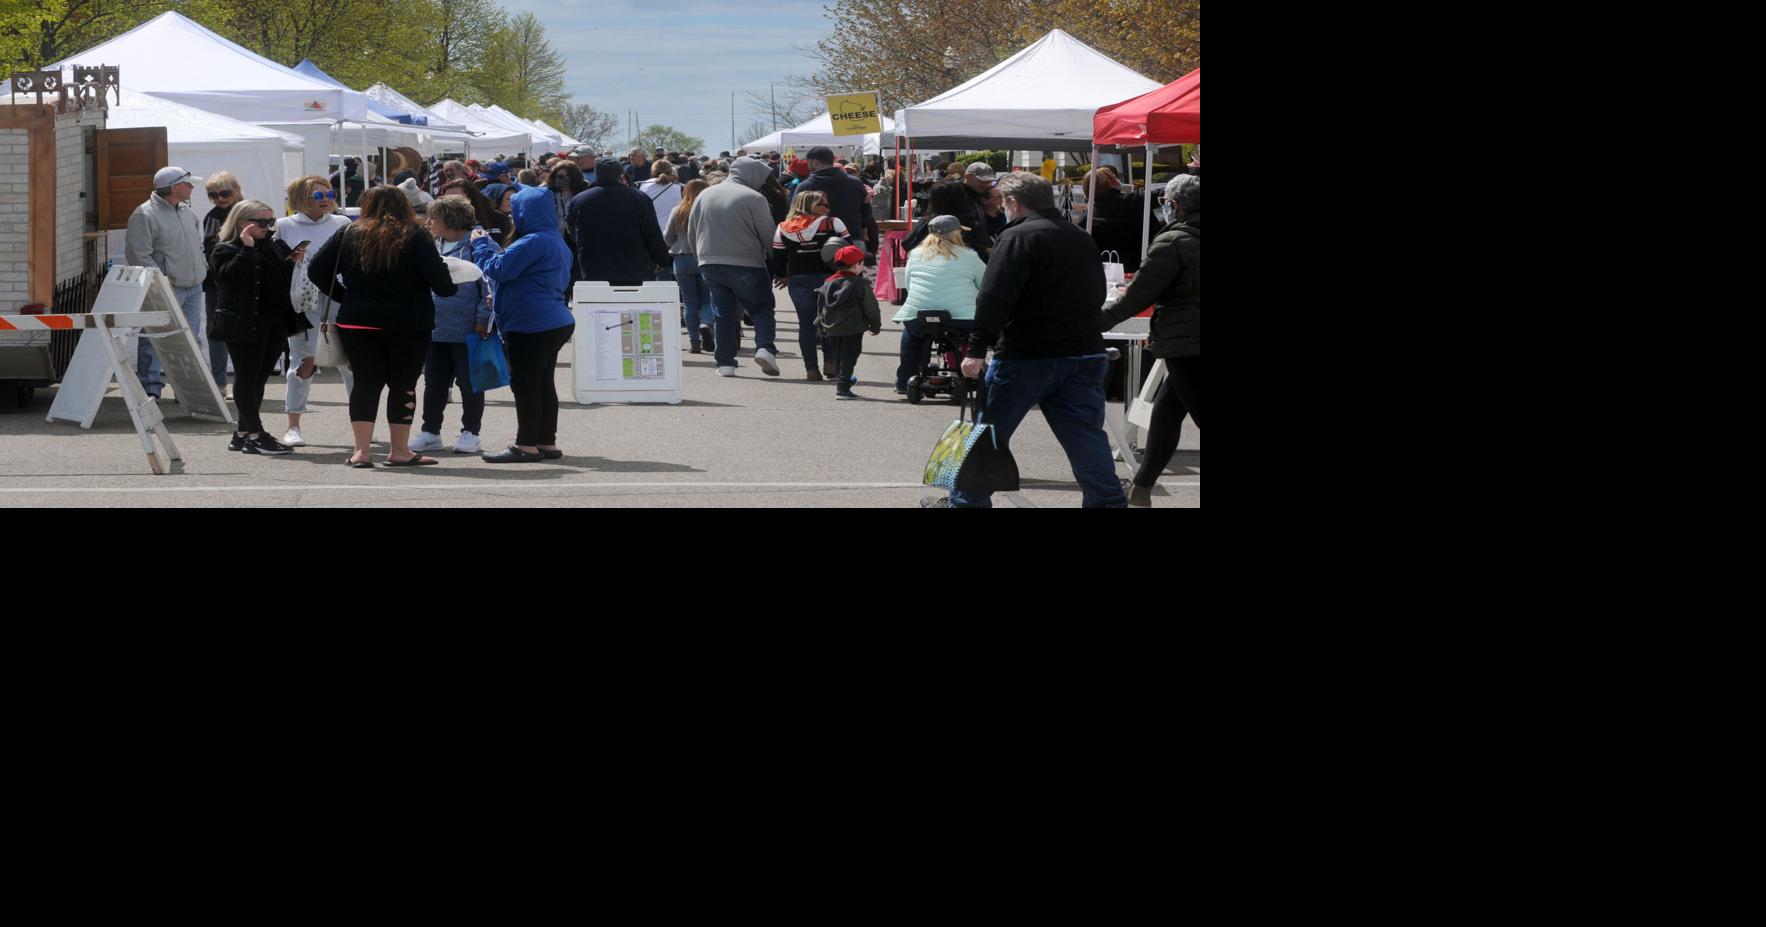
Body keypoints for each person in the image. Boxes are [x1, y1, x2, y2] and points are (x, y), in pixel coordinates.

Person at [927, 173, 1126, 509]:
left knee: (988, 432)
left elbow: (993, 297)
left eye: (1004, 203)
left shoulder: (1016, 236)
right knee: (1086, 438)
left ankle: (966, 502)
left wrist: (976, 348)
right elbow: (1095, 292)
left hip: (1027, 354)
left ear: (1014, 203)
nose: (1003, 210)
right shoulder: (1079, 236)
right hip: (1082, 351)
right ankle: (1108, 501)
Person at [305, 188, 458, 468]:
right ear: (405, 205)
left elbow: (316, 270)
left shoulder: (349, 232)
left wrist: (345, 295)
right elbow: (442, 285)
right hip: (409, 321)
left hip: (358, 319)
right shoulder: (416, 234)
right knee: (403, 384)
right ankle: (399, 450)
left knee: (365, 383)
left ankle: (361, 452)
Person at [1097, 174, 1198, 508]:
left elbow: (1138, 295)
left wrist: (1095, 323)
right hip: (1187, 339)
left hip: (1188, 342)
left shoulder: (1174, 241)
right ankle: (1141, 487)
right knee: (1168, 410)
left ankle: (1141, 488)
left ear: (1175, 204)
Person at [468, 186, 577, 463]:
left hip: (532, 323)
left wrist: (480, 243)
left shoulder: (533, 241)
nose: (512, 216)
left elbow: (497, 269)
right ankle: (545, 441)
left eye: (515, 210)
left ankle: (526, 444)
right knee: (542, 383)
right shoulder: (554, 239)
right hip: (552, 319)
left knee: (526, 383)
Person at [209, 199, 311, 455]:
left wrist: (291, 261)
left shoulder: (273, 246)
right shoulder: (224, 248)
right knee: (246, 376)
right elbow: (228, 278)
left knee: (260, 378)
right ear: (244, 223)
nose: (269, 227)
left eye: (271, 221)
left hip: (273, 322)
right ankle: (256, 434)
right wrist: (246, 249)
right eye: (263, 222)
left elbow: (275, 280)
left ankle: (243, 433)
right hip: (243, 323)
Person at [275, 175, 355, 448]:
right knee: (302, 361)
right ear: (301, 198)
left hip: (338, 297)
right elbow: (278, 264)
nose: (326, 200)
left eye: (329, 194)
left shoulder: (342, 223)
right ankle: (293, 425)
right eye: (318, 196)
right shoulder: (284, 226)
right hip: (301, 300)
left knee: (348, 362)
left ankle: (360, 422)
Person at [410, 195, 494, 456]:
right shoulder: (432, 243)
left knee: (470, 384)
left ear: (449, 218)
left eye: (433, 216)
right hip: (435, 328)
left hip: (469, 328)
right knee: (434, 383)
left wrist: (483, 319)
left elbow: (489, 285)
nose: (428, 221)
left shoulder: (478, 243)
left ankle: (471, 432)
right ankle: (430, 432)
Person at [686, 156, 781, 378]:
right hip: (747, 263)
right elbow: (769, 235)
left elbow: (693, 231)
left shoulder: (705, 194)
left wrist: (700, 256)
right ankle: (765, 348)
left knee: (723, 314)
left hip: (709, 262)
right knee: (761, 308)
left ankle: (725, 363)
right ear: (752, 176)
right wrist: (779, 264)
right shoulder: (754, 198)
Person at [124, 166, 209, 402]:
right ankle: (151, 390)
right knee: (155, 337)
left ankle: (190, 390)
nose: (192, 187)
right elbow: (138, 255)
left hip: (193, 286)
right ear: (174, 187)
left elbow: (198, 246)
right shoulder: (144, 214)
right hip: (166, 287)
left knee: (191, 338)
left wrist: (202, 268)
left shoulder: (187, 212)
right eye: (188, 184)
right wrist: (163, 281)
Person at [893, 214, 983, 394]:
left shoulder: (915, 255)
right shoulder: (970, 256)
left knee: (911, 333)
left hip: (920, 314)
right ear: (956, 233)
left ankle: (904, 380)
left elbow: (909, 285)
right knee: (971, 335)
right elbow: (984, 285)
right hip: (961, 318)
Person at [768, 190, 849, 380]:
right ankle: (831, 363)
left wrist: (781, 275)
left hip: (799, 280)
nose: (828, 208)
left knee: (806, 325)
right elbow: (849, 249)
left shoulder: (783, 227)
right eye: (823, 204)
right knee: (830, 322)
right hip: (830, 280)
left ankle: (811, 369)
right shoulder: (833, 223)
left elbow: (778, 257)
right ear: (808, 205)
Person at [570, 160, 671, 286]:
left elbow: (573, 234)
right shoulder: (639, 198)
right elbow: (651, 232)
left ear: (596, 173)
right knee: (630, 304)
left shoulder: (579, 200)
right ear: (620, 174)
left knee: (597, 304)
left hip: (592, 267)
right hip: (632, 267)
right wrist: (661, 259)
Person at [815, 245, 881, 400]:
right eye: (862, 263)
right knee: (850, 355)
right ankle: (843, 387)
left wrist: (820, 325)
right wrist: (875, 325)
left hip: (831, 327)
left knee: (838, 355)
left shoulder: (827, 283)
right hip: (853, 327)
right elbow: (871, 308)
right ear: (856, 265)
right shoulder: (860, 284)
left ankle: (843, 377)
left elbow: (820, 306)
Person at [199, 171, 242, 395]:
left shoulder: (250, 211)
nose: (219, 199)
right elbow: (207, 250)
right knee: (216, 331)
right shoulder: (212, 216)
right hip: (217, 281)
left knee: (244, 329)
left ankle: (245, 381)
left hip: (245, 279)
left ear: (237, 190)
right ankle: (219, 383)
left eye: (225, 193)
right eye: (212, 195)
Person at [795, 146, 873, 258]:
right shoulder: (855, 183)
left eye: (808, 161)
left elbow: (795, 216)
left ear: (816, 162)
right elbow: (867, 214)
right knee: (852, 275)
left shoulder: (804, 186)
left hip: (816, 242)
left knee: (823, 276)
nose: (807, 165)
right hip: (852, 239)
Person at [666, 179, 714, 355]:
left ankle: (694, 342)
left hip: (682, 259)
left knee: (689, 303)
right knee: (707, 300)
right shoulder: (710, 210)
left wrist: (674, 245)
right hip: (705, 258)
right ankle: (706, 323)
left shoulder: (678, 211)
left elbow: (667, 237)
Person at [639, 160, 684, 278]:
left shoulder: (641, 186)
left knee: (649, 275)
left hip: (648, 235)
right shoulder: (679, 189)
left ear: (652, 171)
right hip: (671, 237)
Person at [440, 177, 513, 243]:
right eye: (447, 198)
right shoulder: (441, 221)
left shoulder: (498, 218)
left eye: (456, 198)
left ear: (471, 197)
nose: (450, 202)